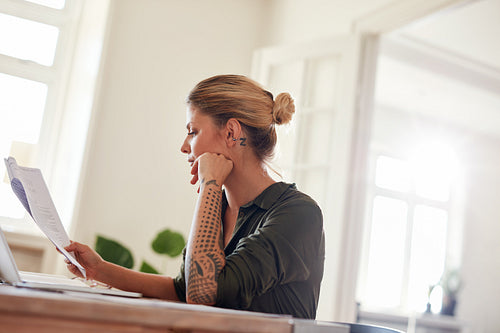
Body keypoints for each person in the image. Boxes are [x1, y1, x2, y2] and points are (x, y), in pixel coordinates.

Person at [65, 74, 325, 319]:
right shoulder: (219, 206)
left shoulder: (299, 214)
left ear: (231, 133)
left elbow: (203, 292)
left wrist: (211, 183)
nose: (184, 146)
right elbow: (184, 289)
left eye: (193, 131)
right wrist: (99, 270)